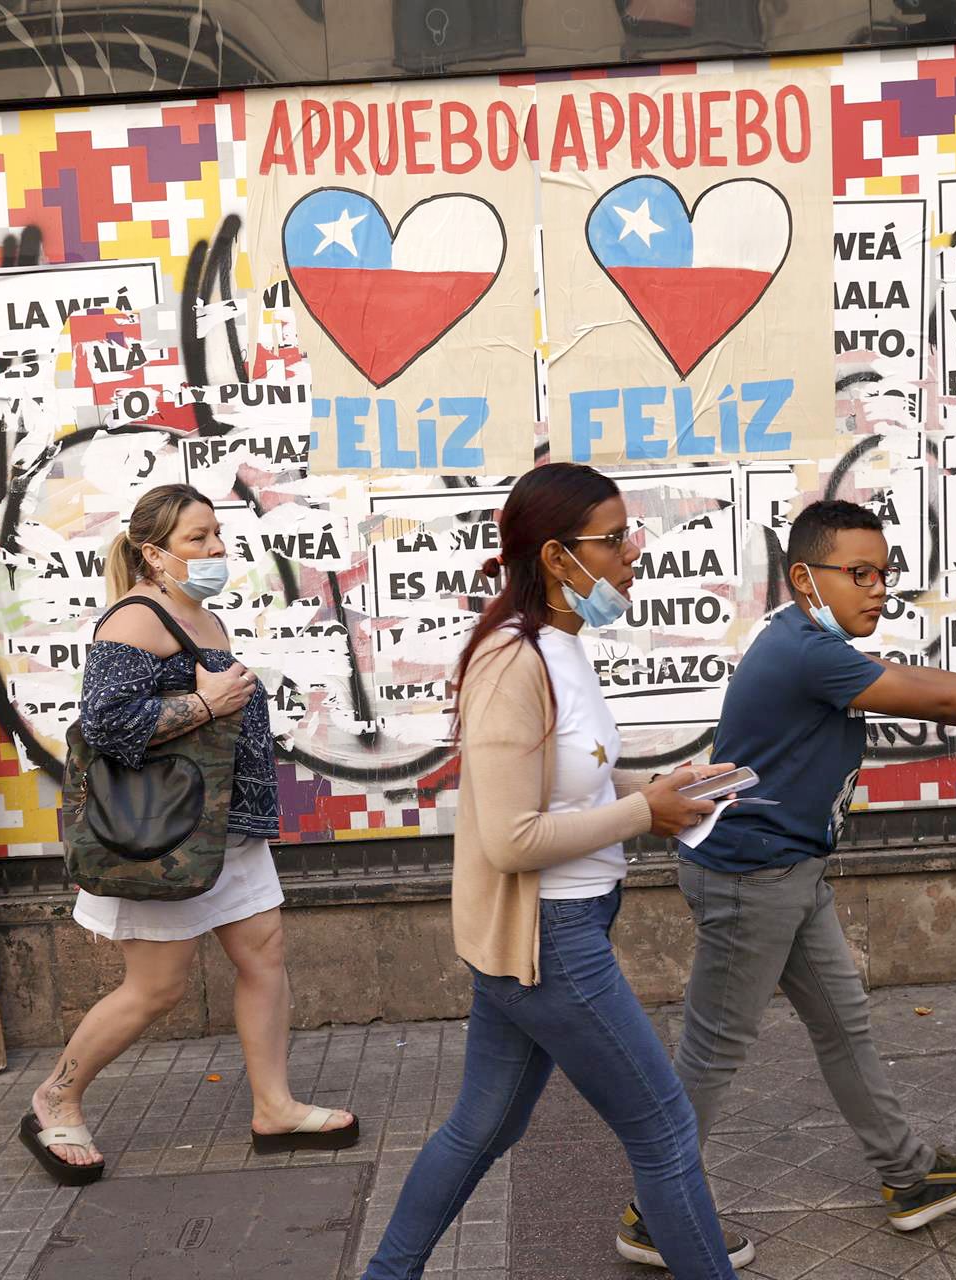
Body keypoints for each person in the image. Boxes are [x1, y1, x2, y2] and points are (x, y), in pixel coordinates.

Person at [616, 498, 956, 1260]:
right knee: (715, 1049)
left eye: (884, 573)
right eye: (857, 573)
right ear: (804, 578)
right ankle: (654, 1215)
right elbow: (934, 699)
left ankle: (911, 1176)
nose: (878, 588)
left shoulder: (810, 641)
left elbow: (908, 676)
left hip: (788, 873)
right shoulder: (804, 652)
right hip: (751, 879)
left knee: (843, 1023)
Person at [363, 462, 754, 1280]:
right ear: (555, 557)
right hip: (550, 942)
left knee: (484, 1127)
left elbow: (566, 780)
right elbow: (511, 838)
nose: (631, 555)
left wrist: (649, 789)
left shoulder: (563, 645)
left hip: (560, 932)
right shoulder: (513, 663)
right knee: (665, 1131)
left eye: (627, 536)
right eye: (611, 541)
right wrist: (645, 815)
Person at [22, 482, 356, 1183]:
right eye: (196, 539)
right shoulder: (135, 620)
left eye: (216, 535)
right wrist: (205, 703)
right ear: (153, 552)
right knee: (157, 987)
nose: (215, 549)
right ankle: (56, 1095)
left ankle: (274, 1106)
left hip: (222, 827)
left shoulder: (196, 613)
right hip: (164, 836)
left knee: (263, 955)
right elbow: (107, 725)